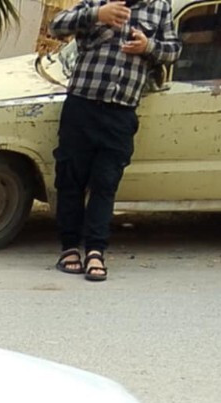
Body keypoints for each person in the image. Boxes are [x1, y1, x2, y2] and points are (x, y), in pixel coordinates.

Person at [48, 0, 181, 282]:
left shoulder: (160, 8)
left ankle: (95, 251)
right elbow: (56, 26)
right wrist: (97, 15)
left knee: (105, 183)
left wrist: (148, 47)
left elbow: (174, 50)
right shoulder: (98, 2)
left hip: (121, 113)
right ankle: (69, 248)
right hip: (82, 104)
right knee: (70, 179)